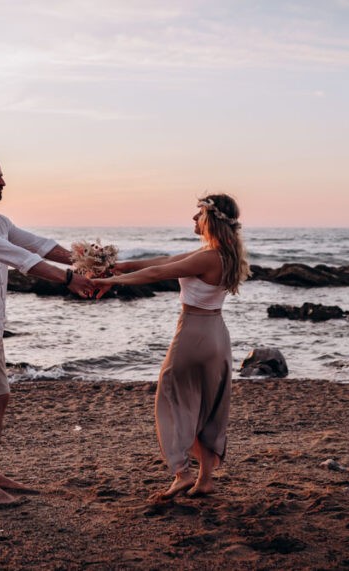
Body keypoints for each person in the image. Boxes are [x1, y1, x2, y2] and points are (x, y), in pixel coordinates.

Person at [0, 153, 95, 506]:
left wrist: (88, 262)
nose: (3, 181)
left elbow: (38, 245)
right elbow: (20, 258)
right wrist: (70, 280)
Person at [91, 193, 249, 500]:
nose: (193, 219)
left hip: (193, 333)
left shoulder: (208, 257)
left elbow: (158, 273)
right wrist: (119, 267)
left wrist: (112, 283)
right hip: (217, 334)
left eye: (198, 214)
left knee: (169, 396)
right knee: (207, 404)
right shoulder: (219, 254)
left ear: (211, 220)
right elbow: (163, 262)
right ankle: (204, 480)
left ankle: (182, 473)